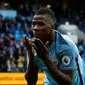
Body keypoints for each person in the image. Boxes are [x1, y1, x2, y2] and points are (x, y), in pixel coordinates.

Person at [23, 7, 85, 85]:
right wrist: (31, 57)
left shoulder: (66, 45)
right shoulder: (32, 46)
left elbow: (68, 82)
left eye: (41, 24)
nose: (35, 28)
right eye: (33, 24)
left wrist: (45, 58)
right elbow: (31, 82)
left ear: (52, 28)